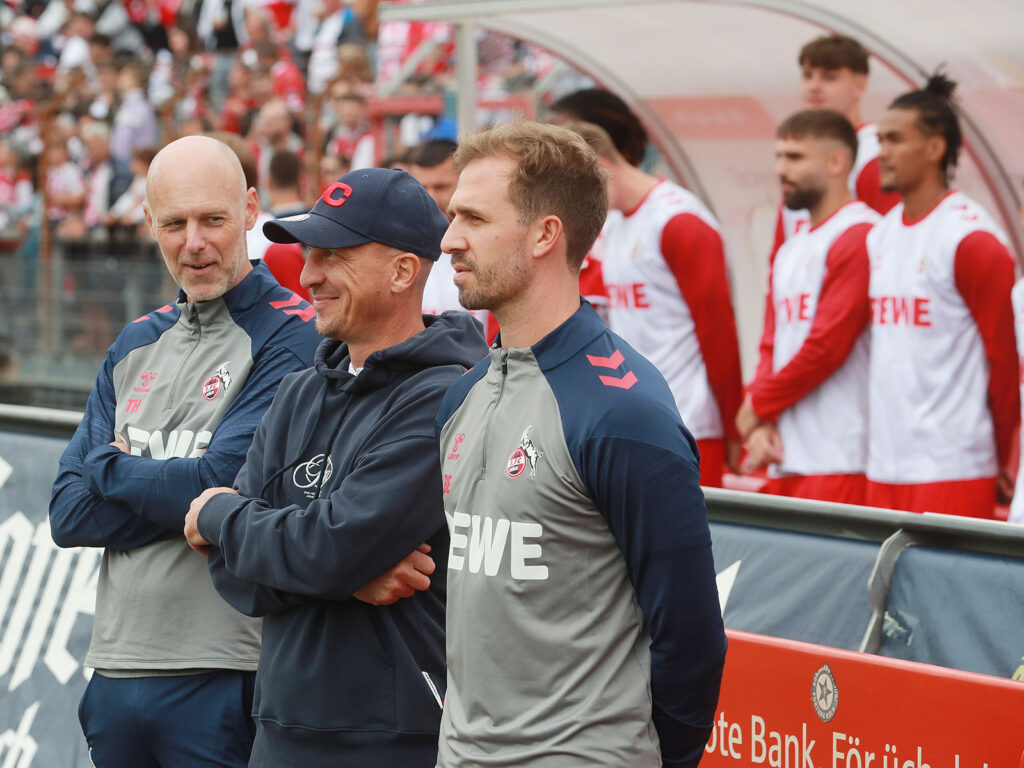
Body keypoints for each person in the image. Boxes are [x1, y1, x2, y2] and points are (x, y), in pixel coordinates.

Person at [436, 122, 726, 767]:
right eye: (454, 216)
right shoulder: (463, 396)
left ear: (546, 235)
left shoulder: (623, 411)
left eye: (475, 218)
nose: (449, 239)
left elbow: (691, 638)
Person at [182, 168, 489, 766]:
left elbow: (330, 544)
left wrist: (221, 515)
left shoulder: (445, 395)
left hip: (389, 738)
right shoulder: (300, 388)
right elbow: (235, 578)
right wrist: (347, 580)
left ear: (404, 271)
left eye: (334, 255)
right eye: (308, 253)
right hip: (279, 727)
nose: (308, 274)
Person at [48, 135, 322, 767]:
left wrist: (110, 467)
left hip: (227, 670)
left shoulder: (293, 336)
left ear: (251, 210)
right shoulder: (135, 341)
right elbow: (67, 513)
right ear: (149, 224)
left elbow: (226, 484)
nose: (193, 242)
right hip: (114, 672)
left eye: (212, 219)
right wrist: (180, 494)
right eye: (174, 223)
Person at [866, 73, 1019, 518]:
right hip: (884, 466)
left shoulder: (971, 238)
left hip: (952, 466)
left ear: (935, 148)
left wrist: (1006, 451)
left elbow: (1003, 360)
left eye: (895, 139)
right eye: (880, 139)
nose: (883, 152)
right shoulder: (880, 235)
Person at [571, 120, 744, 487]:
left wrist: (733, 429)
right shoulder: (615, 226)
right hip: (635, 419)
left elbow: (718, 332)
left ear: (600, 166)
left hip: (689, 423)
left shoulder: (678, 219)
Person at [736, 110, 878, 504]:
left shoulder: (860, 233)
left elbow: (826, 348)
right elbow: (771, 343)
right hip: (787, 452)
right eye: (779, 156)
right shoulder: (792, 246)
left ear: (837, 162)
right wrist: (761, 420)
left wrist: (758, 405)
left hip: (843, 457)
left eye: (795, 158)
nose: (782, 170)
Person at [773, 34, 900, 253]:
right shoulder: (796, 160)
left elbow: (892, 246)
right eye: (807, 75)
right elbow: (782, 247)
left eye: (829, 77)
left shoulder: (874, 156)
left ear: (859, 85)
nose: (814, 86)